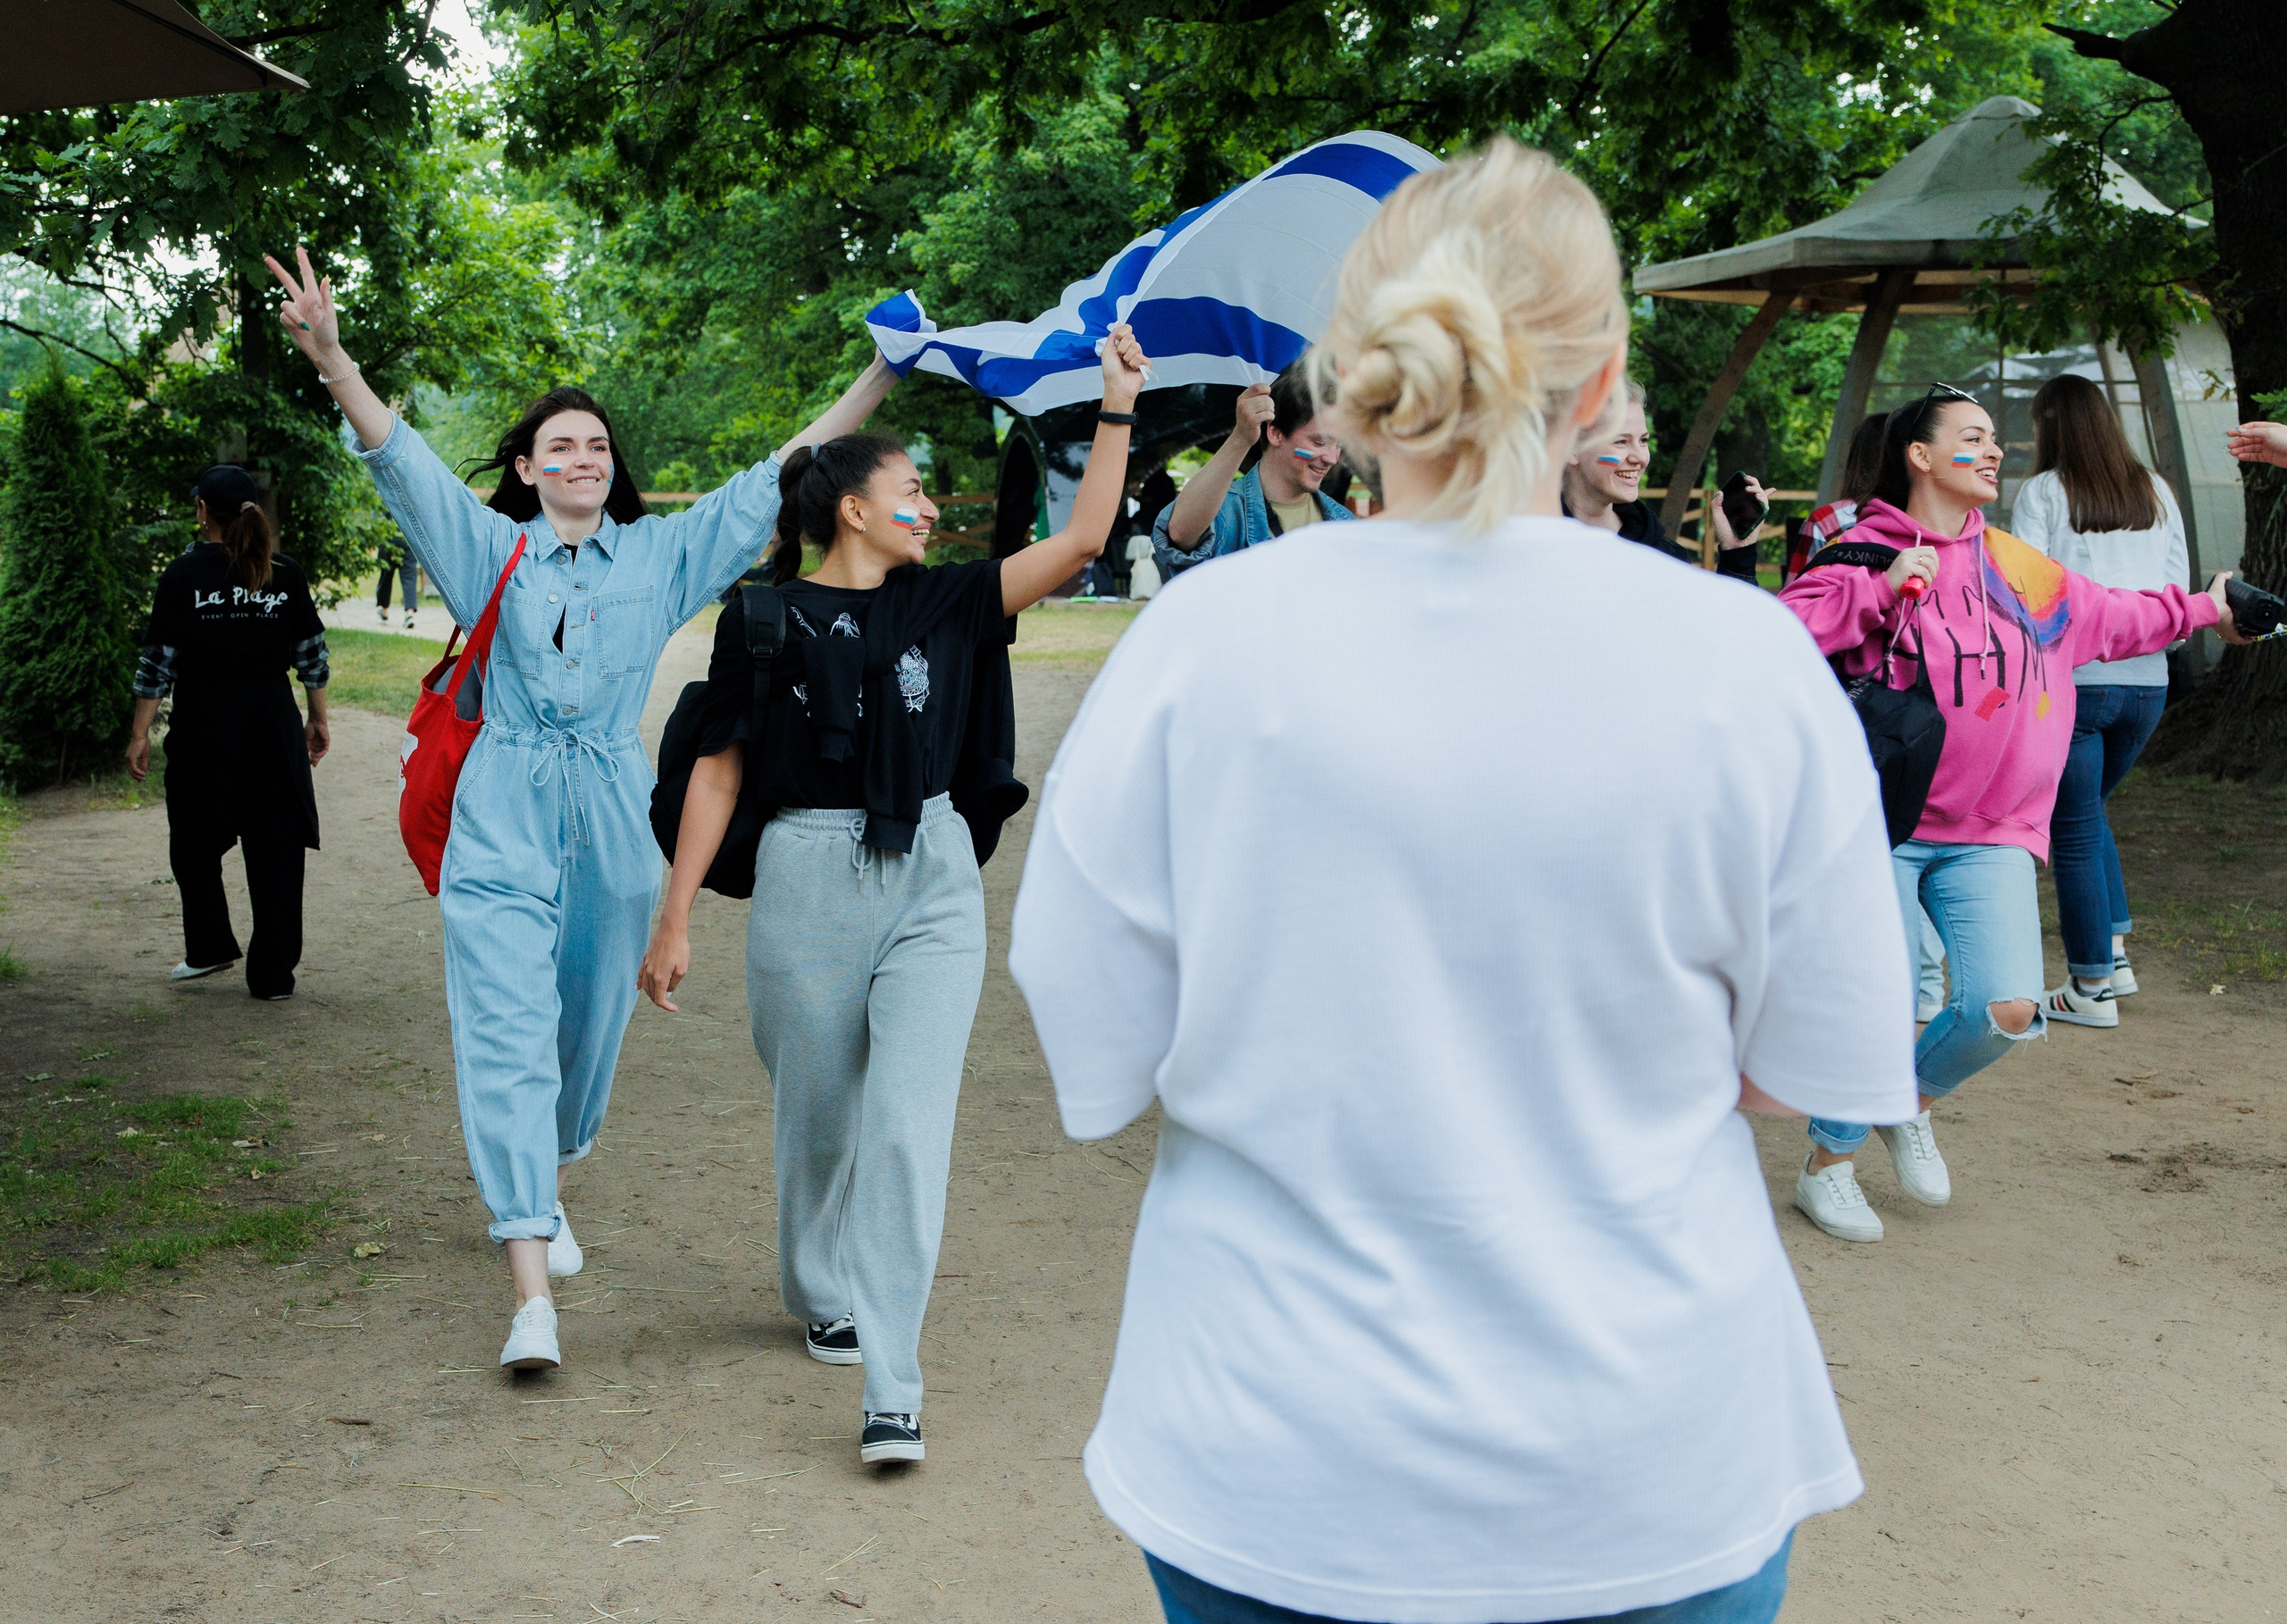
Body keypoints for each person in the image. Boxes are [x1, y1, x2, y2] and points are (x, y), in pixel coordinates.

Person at [1010, 138, 1921, 1624]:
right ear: (1603, 371)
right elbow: (1805, 1065)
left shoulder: (1202, 642)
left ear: (1352, 368)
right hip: (1648, 1460)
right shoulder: (1741, 661)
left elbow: (1099, 1035)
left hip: (1276, 1450)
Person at [265, 244, 902, 1375]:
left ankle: (549, 1177)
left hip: (611, 817)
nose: (583, 458)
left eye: (598, 445)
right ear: (525, 468)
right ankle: (530, 1296)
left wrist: (880, 377)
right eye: (560, 446)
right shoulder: (489, 550)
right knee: (504, 1036)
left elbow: (778, 472)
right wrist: (332, 358)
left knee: (584, 1034)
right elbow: (404, 463)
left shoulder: (660, 556)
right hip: (502, 812)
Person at [638, 326, 1153, 1469]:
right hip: (804, 876)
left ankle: (891, 1385)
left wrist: (1117, 403)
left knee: (907, 1130)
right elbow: (718, 770)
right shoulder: (761, 618)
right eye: (910, 490)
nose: (927, 506)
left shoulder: (952, 601)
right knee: (819, 1118)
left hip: (930, 876)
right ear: (853, 511)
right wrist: (675, 918)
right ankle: (815, 1285)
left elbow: (1083, 537)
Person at [1778, 382, 2249, 1244]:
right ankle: (1828, 1167)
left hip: (1994, 830)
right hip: (1879, 825)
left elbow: (2112, 618)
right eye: (1973, 437)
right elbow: (1784, 633)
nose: (1994, 451)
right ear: (1920, 455)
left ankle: (1903, 1102)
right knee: (1882, 999)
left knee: (2006, 1010)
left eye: (1997, 437)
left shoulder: (2019, 566)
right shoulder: (1863, 548)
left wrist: (2209, 609)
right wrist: (1879, 591)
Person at [2013, 373, 2189, 1027]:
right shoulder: (2157, 490)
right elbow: (2176, 593)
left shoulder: (2042, 492)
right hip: (2149, 684)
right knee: (2088, 813)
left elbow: (2028, 594)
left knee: (2075, 825)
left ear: (2049, 427)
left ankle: (2089, 987)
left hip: (2076, 681)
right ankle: (2114, 954)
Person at [125, 465, 331, 1001]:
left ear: (203, 512)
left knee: (194, 841)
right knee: (277, 849)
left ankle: (209, 945)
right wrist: (317, 717)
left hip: (204, 726)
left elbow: (158, 665)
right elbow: (311, 656)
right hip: (272, 724)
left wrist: (140, 734)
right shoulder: (285, 573)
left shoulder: (181, 576)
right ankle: (273, 976)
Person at [1151, 361, 1354, 580]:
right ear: (1275, 433)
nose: (1332, 458)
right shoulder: (1226, 511)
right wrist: (1241, 437)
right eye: (1319, 442)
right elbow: (1179, 534)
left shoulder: (1343, 522)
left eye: (1339, 445)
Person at [1560, 381, 1763, 579]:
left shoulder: (1666, 560)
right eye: (1621, 441)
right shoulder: (1543, 548)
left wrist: (1737, 555)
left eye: (1643, 440)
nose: (1640, 458)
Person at [374, 534, 420, 627]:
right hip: (408, 539)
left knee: (386, 576)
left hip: (389, 538)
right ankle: (409, 613)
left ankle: (384, 610)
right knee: (409, 578)